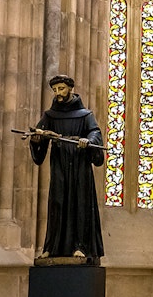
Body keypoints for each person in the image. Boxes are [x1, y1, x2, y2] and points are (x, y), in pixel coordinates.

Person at [29, 75, 105, 262]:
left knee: (78, 204)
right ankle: (52, 247)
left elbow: (95, 133)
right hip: (60, 165)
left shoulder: (86, 115)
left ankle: (80, 246)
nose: (58, 93)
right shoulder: (50, 115)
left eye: (61, 89)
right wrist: (36, 139)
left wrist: (88, 141)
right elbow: (39, 136)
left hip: (79, 165)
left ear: (70, 88)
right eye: (55, 90)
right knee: (58, 202)